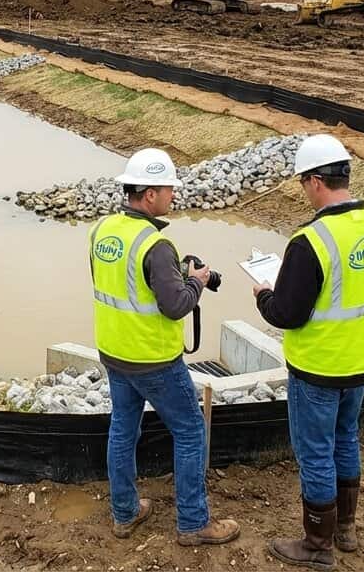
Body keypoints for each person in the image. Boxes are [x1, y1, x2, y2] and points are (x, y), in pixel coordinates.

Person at [252, 133, 364, 570]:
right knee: (345, 439)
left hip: (318, 366)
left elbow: (286, 313)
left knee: (316, 451)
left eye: (303, 183)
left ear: (316, 181)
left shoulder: (310, 240)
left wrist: (263, 294)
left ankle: (317, 545)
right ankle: (346, 529)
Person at [90, 148, 240, 547]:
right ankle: (194, 524)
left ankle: (125, 514)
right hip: (153, 358)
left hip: (114, 352)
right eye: (169, 189)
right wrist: (197, 282)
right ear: (151, 194)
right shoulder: (156, 245)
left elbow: (119, 287)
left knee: (123, 430)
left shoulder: (102, 230)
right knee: (190, 432)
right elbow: (175, 306)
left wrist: (175, 277)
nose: (173, 195)